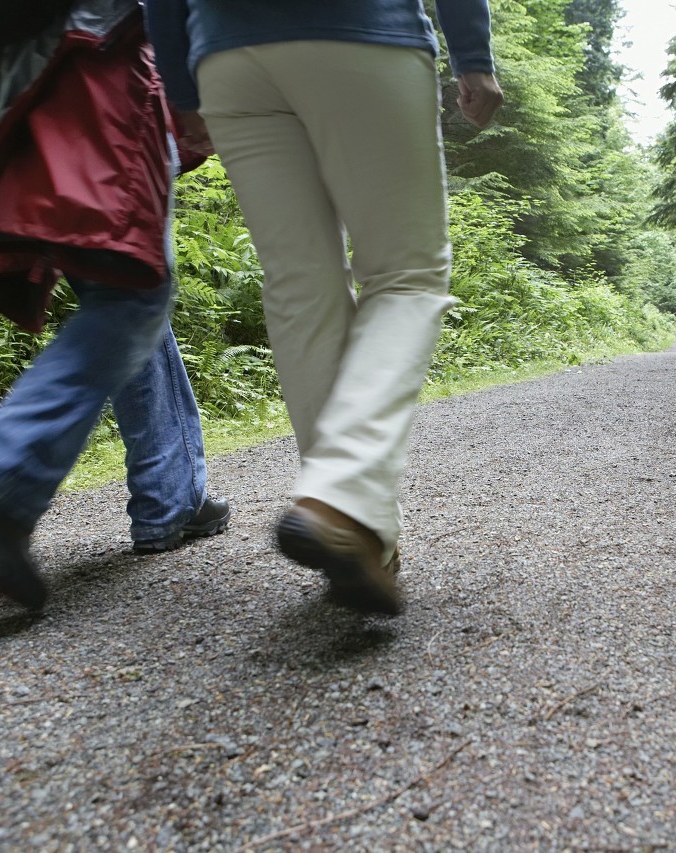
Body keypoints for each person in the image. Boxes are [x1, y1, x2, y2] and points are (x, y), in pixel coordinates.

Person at [144, 0, 503, 615]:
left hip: (227, 56)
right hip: (362, 34)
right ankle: (340, 495)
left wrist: (180, 86)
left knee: (298, 286)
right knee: (406, 274)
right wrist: (472, 55)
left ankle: (359, 534)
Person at [0, 0, 231, 611]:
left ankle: (172, 496)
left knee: (120, 287)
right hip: (97, 62)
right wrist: (193, 88)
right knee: (132, 289)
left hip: (7, 82)